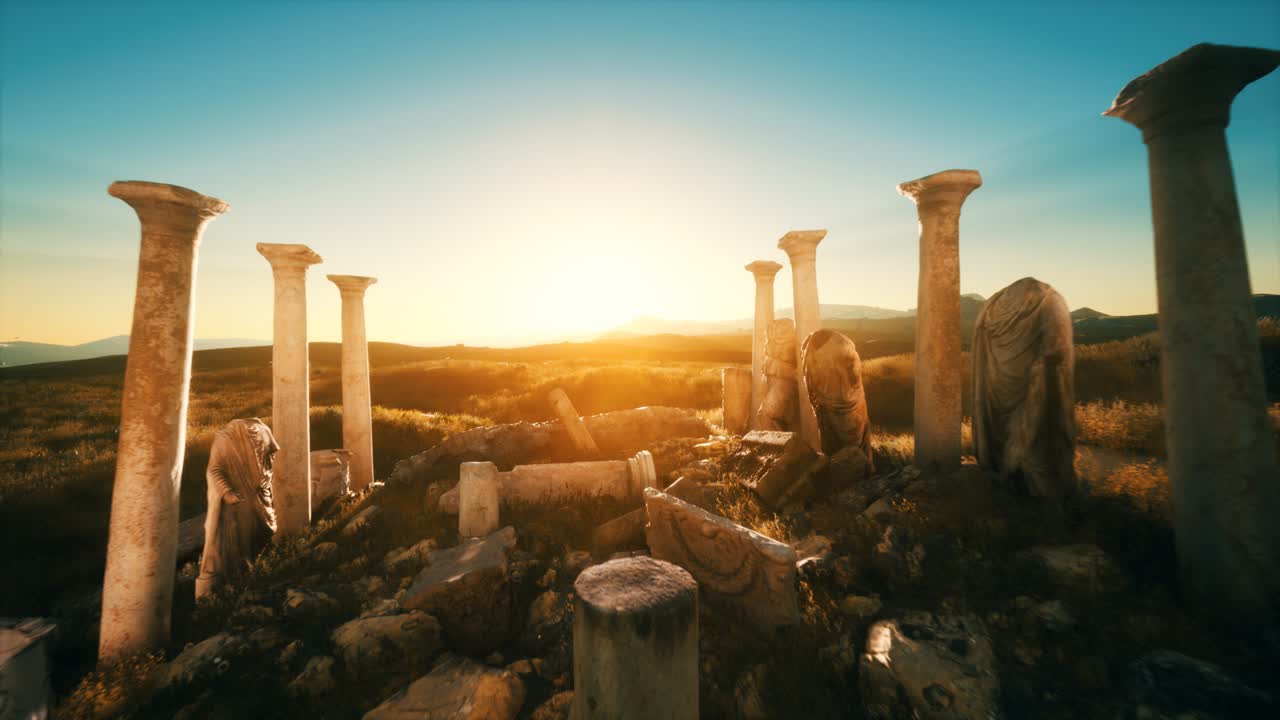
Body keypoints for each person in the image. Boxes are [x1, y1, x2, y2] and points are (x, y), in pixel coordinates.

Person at [195, 418, 279, 599]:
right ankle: (230, 587)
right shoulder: (226, 438)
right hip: (237, 504)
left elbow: (270, 459)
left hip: (260, 498)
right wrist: (227, 492)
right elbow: (214, 469)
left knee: (262, 536)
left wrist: (266, 480)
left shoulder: (263, 431)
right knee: (236, 544)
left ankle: (253, 578)